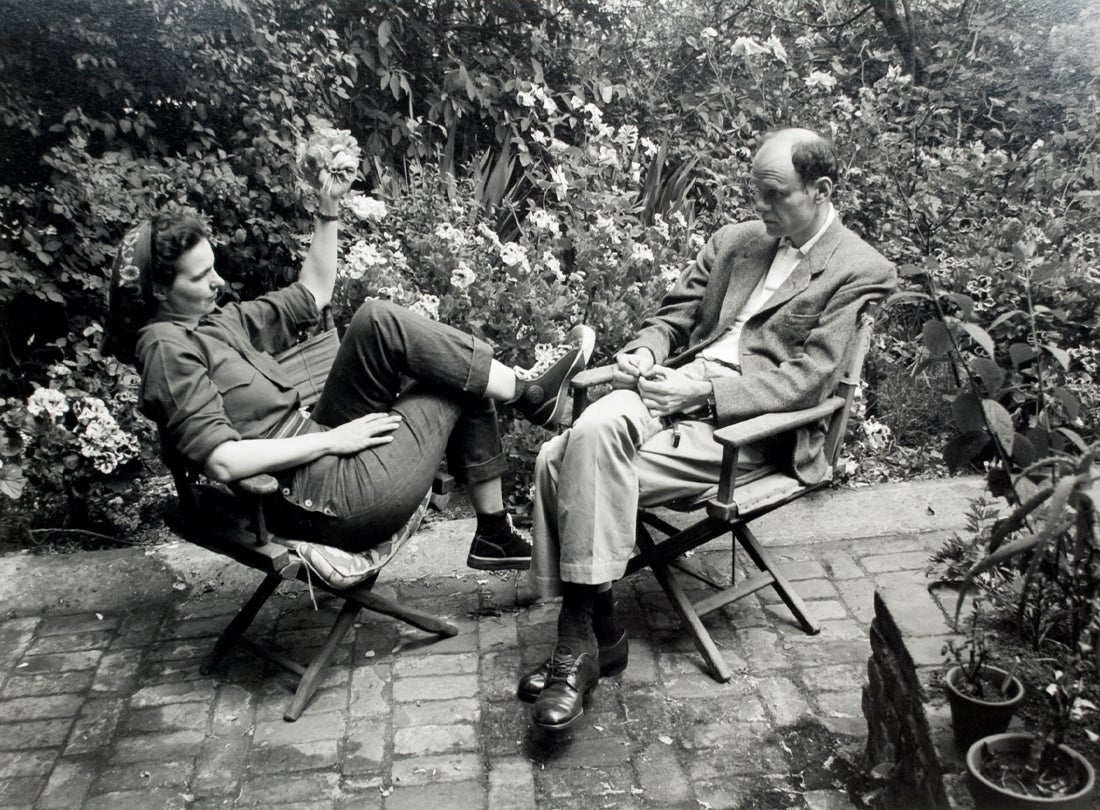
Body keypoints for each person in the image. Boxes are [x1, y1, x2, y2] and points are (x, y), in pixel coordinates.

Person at [520, 128, 898, 730]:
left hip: (745, 427)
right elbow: (669, 321)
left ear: (821, 190)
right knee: (587, 439)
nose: (760, 208)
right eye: (756, 193)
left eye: (774, 196)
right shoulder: (735, 243)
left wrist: (706, 391)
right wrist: (646, 354)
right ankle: (596, 637)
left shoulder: (859, 269)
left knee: (559, 460)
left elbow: (810, 379)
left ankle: (583, 642)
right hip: (670, 389)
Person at [103, 175, 594, 570]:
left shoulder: (210, 321)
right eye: (200, 276)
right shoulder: (165, 350)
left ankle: (504, 494)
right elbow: (223, 462)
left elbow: (313, 292)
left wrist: (328, 207)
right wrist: (332, 442)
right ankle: (526, 412)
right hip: (319, 497)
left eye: (213, 268)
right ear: (159, 292)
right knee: (457, 375)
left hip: (314, 446)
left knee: (378, 320)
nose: (219, 281)